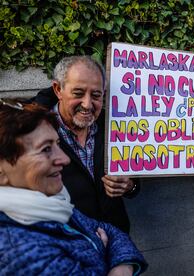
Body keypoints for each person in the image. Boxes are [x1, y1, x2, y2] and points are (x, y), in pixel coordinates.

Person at [0, 98, 147, 275]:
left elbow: (114, 232)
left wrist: (120, 266)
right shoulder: (19, 252)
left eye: (57, 144)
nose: (64, 159)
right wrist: (101, 250)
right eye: (45, 149)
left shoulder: (53, 203)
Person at [33, 56, 139, 233]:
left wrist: (130, 186)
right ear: (58, 90)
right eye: (78, 93)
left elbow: (134, 181)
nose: (87, 104)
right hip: (68, 246)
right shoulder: (33, 132)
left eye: (96, 95)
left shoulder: (114, 125)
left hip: (117, 239)